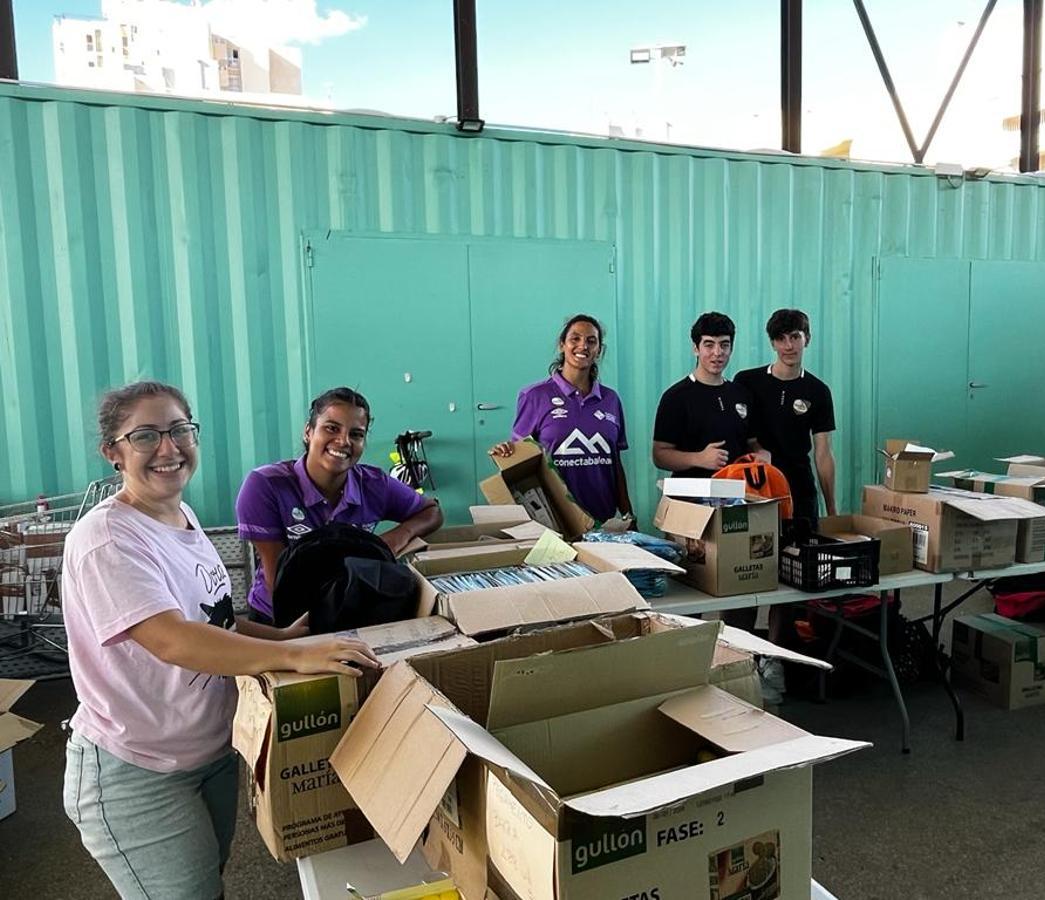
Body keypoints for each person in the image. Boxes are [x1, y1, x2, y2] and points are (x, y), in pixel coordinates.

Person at [62, 380, 380, 900]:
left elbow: (213, 619)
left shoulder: (179, 516)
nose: (168, 448)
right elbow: (173, 639)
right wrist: (291, 655)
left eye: (179, 430)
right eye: (145, 435)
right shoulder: (107, 539)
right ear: (113, 453)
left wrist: (281, 635)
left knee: (206, 882)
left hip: (207, 752)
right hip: (138, 771)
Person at [236, 386, 443, 624]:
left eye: (356, 434)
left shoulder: (374, 485)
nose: (343, 441)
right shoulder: (265, 486)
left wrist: (398, 536)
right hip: (280, 616)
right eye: (331, 428)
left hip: (349, 612)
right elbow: (279, 581)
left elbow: (432, 511)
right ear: (308, 432)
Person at [489, 314, 634, 525]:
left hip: (604, 520)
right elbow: (521, 461)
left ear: (599, 351)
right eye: (575, 338)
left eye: (591, 341)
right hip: (556, 521)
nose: (583, 345)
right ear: (562, 345)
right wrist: (506, 451)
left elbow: (615, 464)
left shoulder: (611, 399)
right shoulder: (535, 396)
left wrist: (628, 514)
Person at [734, 308, 837, 534]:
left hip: (800, 489)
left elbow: (823, 453)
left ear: (806, 339)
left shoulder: (818, 391)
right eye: (781, 339)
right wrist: (757, 448)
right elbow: (737, 432)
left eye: (795, 337)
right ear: (772, 343)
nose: (788, 346)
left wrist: (831, 511)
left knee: (803, 559)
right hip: (756, 486)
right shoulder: (746, 381)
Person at [652, 311, 769, 476]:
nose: (717, 352)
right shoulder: (676, 397)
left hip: (738, 496)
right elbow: (659, 455)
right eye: (709, 344)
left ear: (731, 348)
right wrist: (698, 458)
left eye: (724, 344)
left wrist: (761, 453)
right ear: (696, 348)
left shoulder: (742, 394)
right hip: (691, 498)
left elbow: (752, 442)